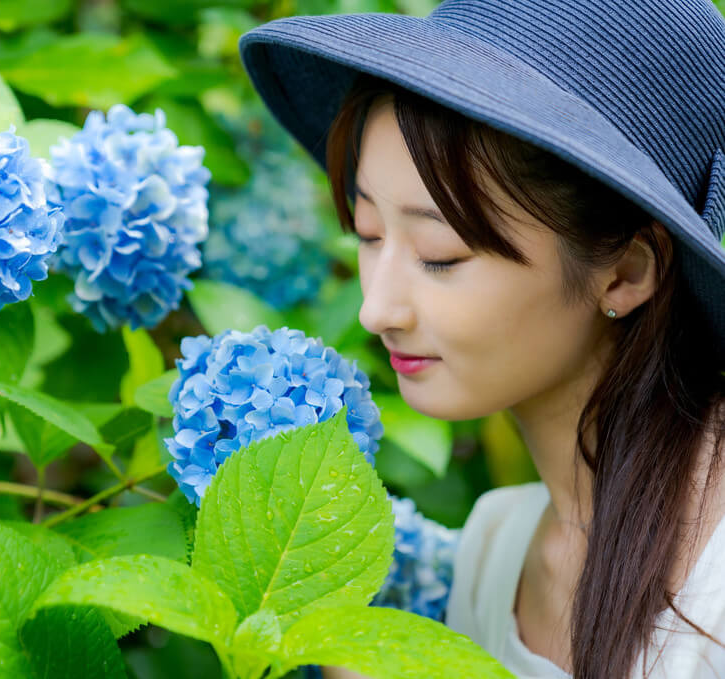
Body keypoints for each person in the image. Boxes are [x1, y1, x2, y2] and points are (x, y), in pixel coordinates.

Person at [237, 1, 725, 677]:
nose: (377, 308)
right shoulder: (497, 549)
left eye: (440, 254)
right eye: (369, 234)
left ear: (627, 272)